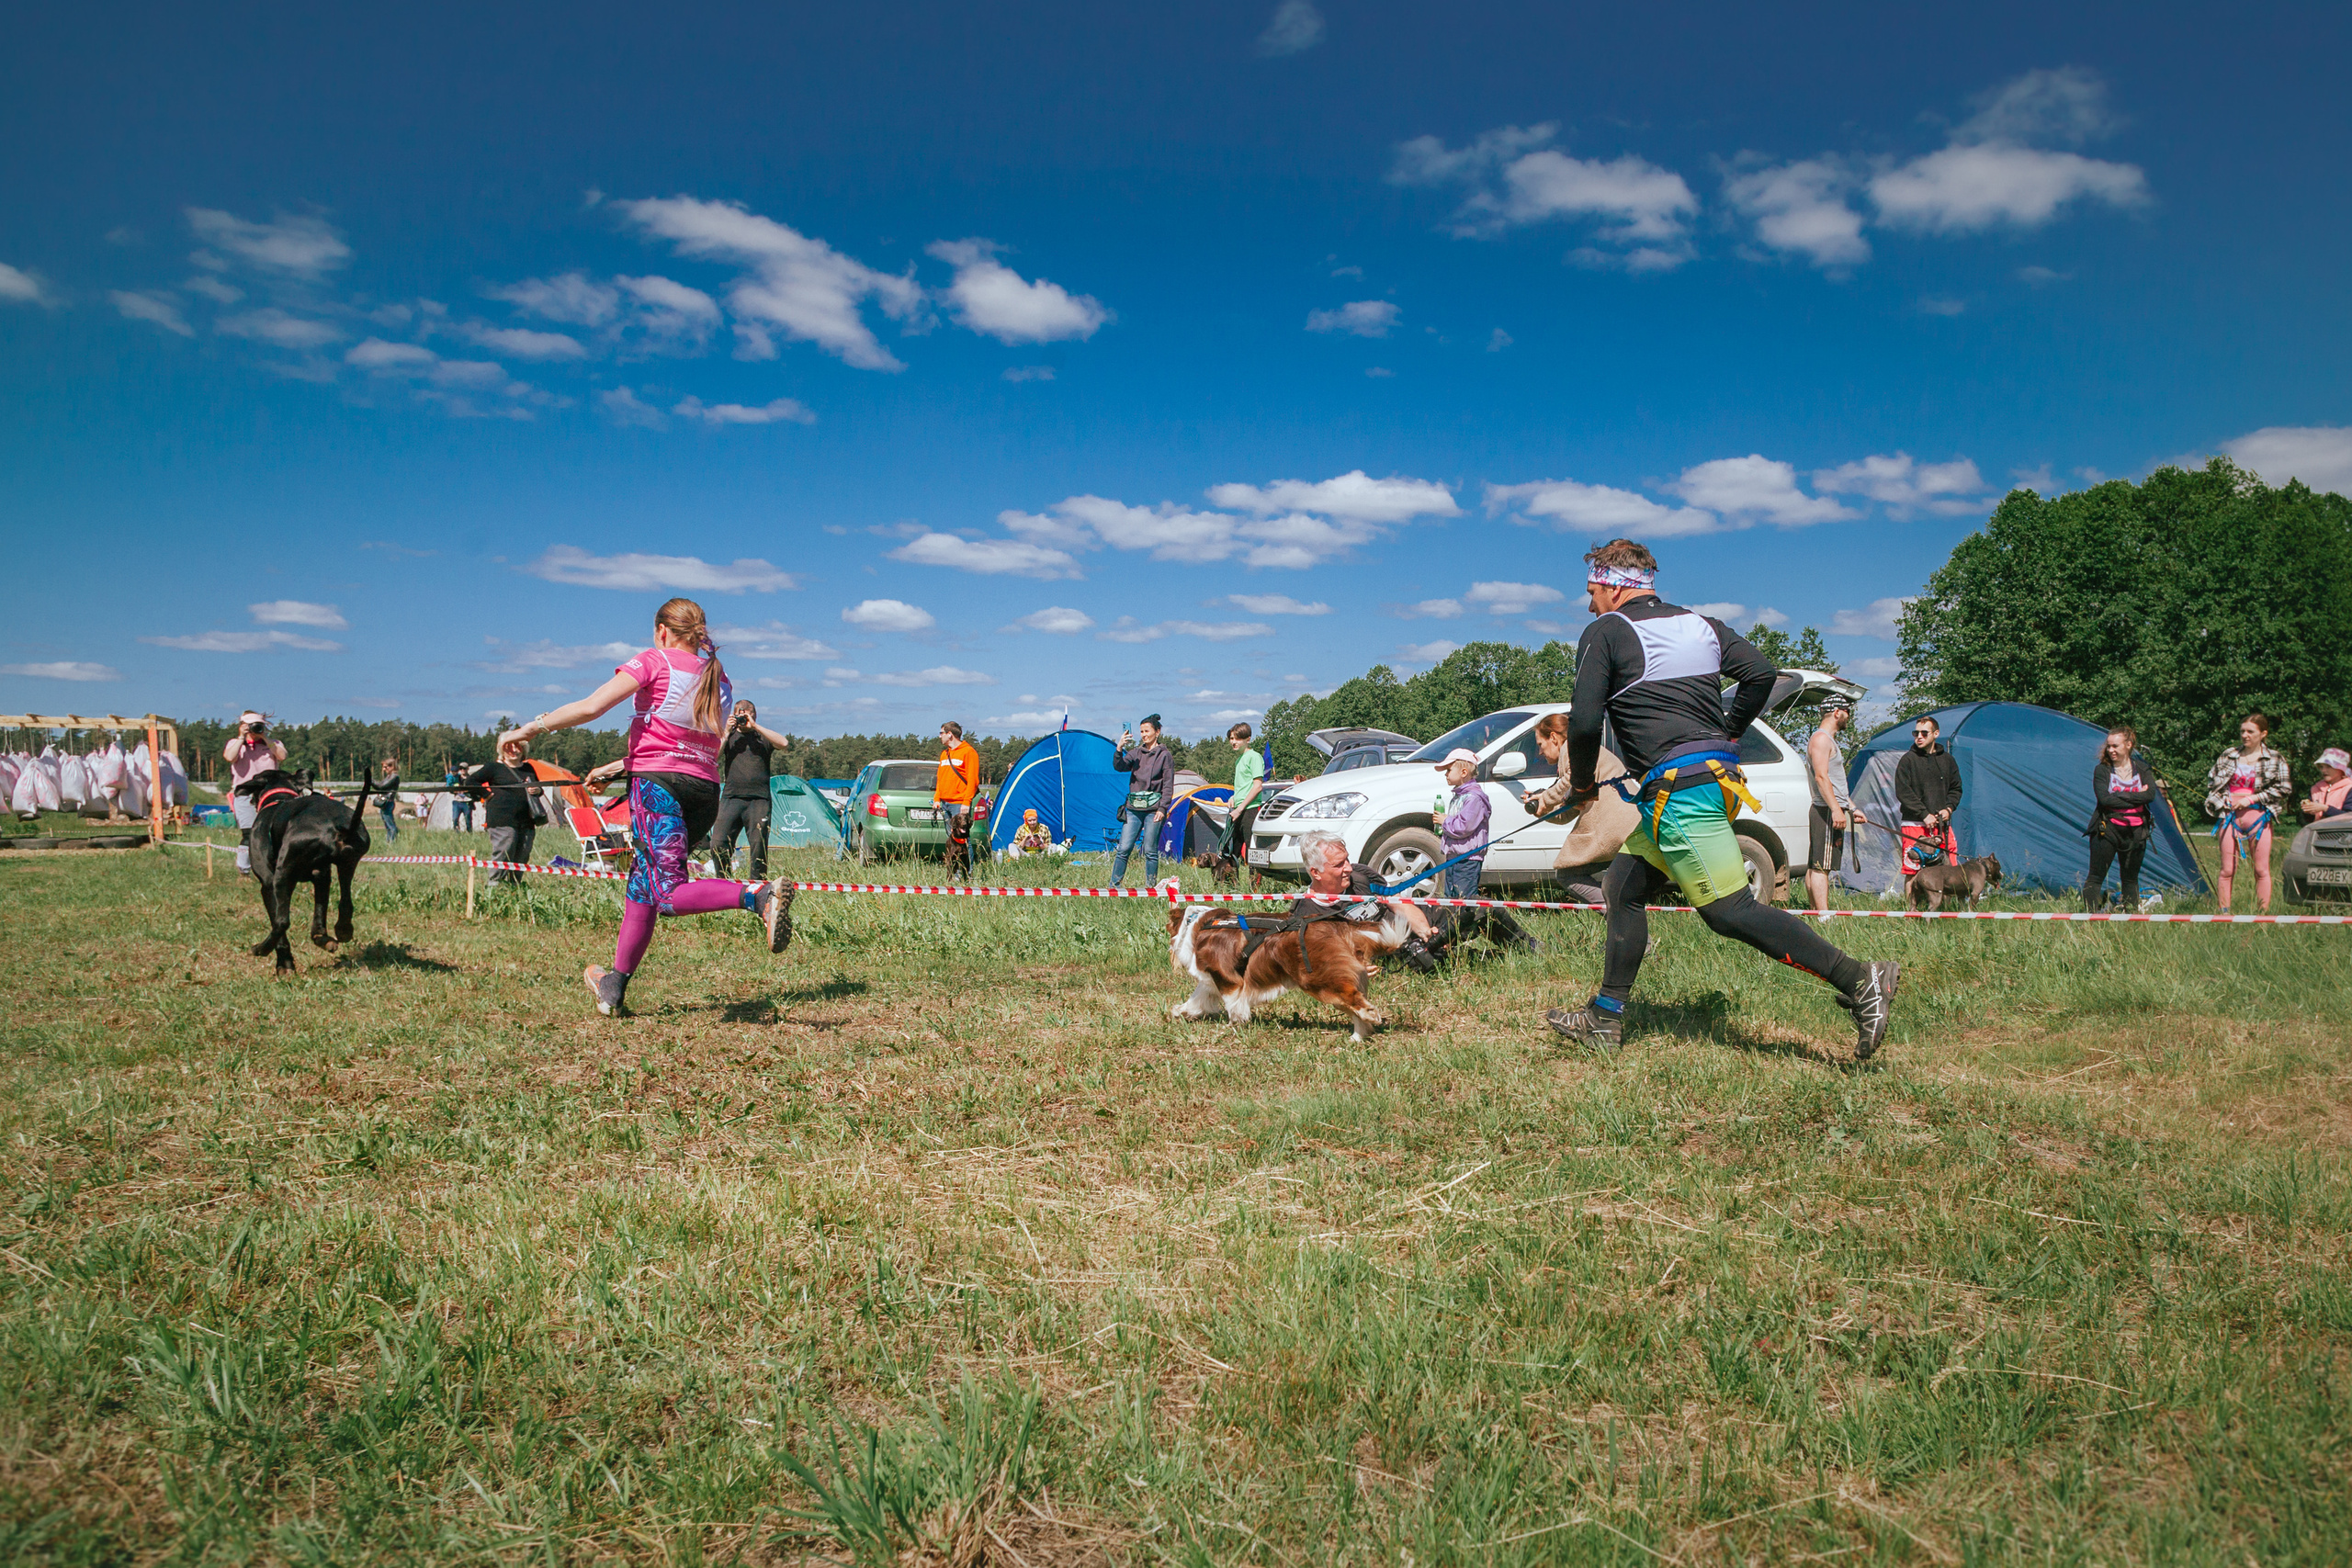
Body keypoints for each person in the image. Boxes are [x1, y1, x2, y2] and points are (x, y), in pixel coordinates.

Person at [1542, 539, 1899, 1058]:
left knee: (1729, 911)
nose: (1589, 601)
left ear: (1614, 584)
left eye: (1592, 589)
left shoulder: (1606, 632)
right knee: (1622, 886)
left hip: (1680, 792)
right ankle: (1605, 1015)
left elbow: (1585, 719)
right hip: (1704, 781)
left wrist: (1578, 787)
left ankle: (1861, 978)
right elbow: (1761, 676)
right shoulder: (1703, 625)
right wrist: (1728, 732)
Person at [499, 596, 794, 1017]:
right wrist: (620, 766)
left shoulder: (654, 661)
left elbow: (591, 707)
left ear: (661, 631)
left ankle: (757, 896)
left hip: (660, 790)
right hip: (703, 792)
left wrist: (531, 726)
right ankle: (613, 984)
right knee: (643, 885)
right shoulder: (718, 677)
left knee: (668, 893)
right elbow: (690, 746)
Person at [2203, 712, 2291, 912]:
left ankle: (2262, 915)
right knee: (2227, 869)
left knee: (2261, 869)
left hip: (2258, 817)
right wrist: (2222, 797)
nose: (2245, 735)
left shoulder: (2276, 758)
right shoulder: (2228, 754)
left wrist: (2252, 798)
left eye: (2250, 731)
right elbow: (2212, 780)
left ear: (2263, 734)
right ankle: (2224, 914)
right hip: (2229, 817)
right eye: (2242, 731)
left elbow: (2284, 788)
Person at [715, 699, 790, 880]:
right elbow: (713, 757)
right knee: (718, 842)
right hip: (731, 798)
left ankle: (757, 887)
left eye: (749, 715)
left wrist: (755, 725)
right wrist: (726, 731)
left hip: (759, 800)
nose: (745, 719)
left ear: (754, 715)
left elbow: (784, 744)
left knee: (759, 846)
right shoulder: (729, 736)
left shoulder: (762, 736)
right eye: (741, 716)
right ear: (734, 715)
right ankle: (723, 882)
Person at [2085, 727, 2156, 911]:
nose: (2111, 750)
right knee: (2095, 877)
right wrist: (2134, 795)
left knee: (2131, 879)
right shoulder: (2102, 770)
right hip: (2107, 829)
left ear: (2128, 745)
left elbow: (2150, 796)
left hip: (2136, 832)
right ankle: (2089, 920)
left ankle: (2131, 919)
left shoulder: (2142, 768)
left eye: (2115, 746)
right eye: (2109, 746)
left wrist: (2120, 795)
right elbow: (2105, 799)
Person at [1804, 700, 1864, 914]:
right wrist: (1836, 810)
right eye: (1847, 712)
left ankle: (1815, 913)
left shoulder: (1825, 739)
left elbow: (1835, 782)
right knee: (1822, 866)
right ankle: (1824, 916)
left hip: (1829, 808)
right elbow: (1821, 778)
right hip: (1826, 810)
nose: (1849, 716)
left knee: (1816, 864)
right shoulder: (1821, 739)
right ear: (1837, 712)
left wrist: (1851, 807)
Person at [1893, 716, 1962, 886]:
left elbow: (1956, 789)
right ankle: (1912, 912)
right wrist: (1924, 814)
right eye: (1916, 733)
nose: (1919, 737)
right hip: (1914, 824)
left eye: (1924, 733)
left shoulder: (1948, 760)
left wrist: (1949, 809)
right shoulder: (1908, 760)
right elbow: (1903, 792)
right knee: (1913, 871)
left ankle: (1947, 911)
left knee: (1950, 870)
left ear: (1936, 734)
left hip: (1942, 825)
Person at [1109, 714, 1175, 886]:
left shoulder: (1165, 755)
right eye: (1141, 731)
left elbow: (1168, 784)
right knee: (1124, 849)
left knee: (1150, 851)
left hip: (1154, 809)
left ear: (1157, 732)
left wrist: (1162, 808)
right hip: (1133, 808)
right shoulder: (1136, 753)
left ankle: (1150, 888)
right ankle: (1114, 886)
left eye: (1147, 731)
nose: (1144, 734)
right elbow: (1119, 767)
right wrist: (1119, 748)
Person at [460, 739, 538, 885]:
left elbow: (538, 788)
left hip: (527, 819)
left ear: (524, 749)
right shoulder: (493, 767)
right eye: (509, 747)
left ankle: (515, 887)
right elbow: (471, 781)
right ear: (501, 750)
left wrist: (537, 790)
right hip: (501, 818)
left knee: (523, 855)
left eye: (518, 747)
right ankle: (494, 887)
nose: (514, 750)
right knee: (504, 852)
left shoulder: (528, 768)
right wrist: (486, 795)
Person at [222, 711, 287, 877]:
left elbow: (282, 756)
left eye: (259, 726)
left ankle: (273, 868)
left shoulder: (273, 743)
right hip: (245, 793)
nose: (256, 729)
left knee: (274, 831)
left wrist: (266, 739)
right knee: (249, 834)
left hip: (269, 792)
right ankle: (244, 871)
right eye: (252, 726)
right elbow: (229, 757)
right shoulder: (235, 744)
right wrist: (241, 738)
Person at [933, 720, 981, 882]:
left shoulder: (969, 752)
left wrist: (966, 802)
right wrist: (937, 799)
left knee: (964, 840)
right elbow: (940, 779)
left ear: (950, 734)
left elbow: (973, 780)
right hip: (945, 802)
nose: (939, 736)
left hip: (959, 803)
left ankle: (968, 874)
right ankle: (953, 874)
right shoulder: (944, 754)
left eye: (941, 733)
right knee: (952, 840)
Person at [1226, 722, 1267, 885]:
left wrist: (1240, 808)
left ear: (1248, 739)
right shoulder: (1239, 760)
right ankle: (1232, 887)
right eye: (1231, 739)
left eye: (1237, 739)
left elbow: (1257, 787)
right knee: (1233, 850)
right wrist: (1234, 797)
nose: (1233, 742)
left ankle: (1254, 888)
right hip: (1238, 808)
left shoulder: (1254, 757)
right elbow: (1243, 786)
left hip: (1250, 810)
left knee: (1252, 852)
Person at [2301, 747, 2351, 820]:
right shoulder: (2315, 789)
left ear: (2341, 769)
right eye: (2321, 767)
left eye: (2329, 766)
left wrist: (2326, 809)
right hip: (2318, 830)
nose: (2323, 770)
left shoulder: (2349, 789)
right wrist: (2308, 813)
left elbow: (2349, 817)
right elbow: (2305, 822)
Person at [375, 757, 401, 842]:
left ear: (392, 766)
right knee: (387, 824)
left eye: (386, 767)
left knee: (390, 825)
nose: (384, 769)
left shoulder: (394, 777)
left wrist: (370, 781)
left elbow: (381, 786)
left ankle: (392, 842)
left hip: (388, 803)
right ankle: (389, 841)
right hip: (385, 803)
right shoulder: (389, 777)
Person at [447, 766, 474, 832]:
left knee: (468, 820)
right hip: (457, 801)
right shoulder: (455, 777)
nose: (462, 770)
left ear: (467, 769)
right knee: (455, 819)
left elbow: (474, 789)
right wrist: (454, 790)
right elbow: (450, 788)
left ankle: (469, 834)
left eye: (464, 768)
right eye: (461, 769)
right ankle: (457, 833)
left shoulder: (471, 778)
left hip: (467, 801)